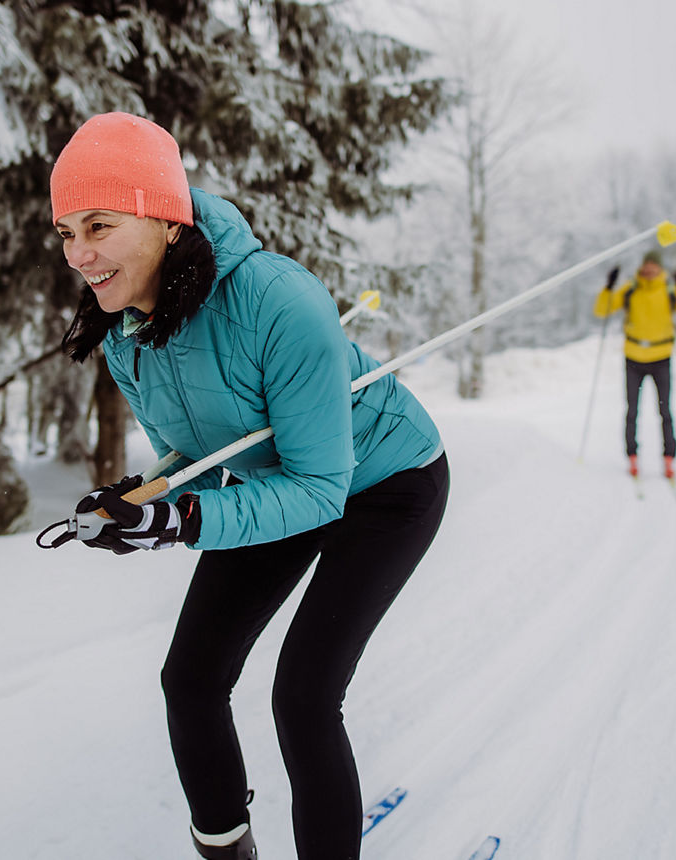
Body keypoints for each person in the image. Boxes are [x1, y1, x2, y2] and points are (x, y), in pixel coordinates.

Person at [48, 112, 449, 860]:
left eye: (98, 224)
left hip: (385, 483)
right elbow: (188, 451)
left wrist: (180, 521)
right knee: (191, 680)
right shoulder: (125, 330)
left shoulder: (277, 300)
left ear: (166, 220)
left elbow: (322, 488)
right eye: (66, 232)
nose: (79, 253)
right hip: (278, 479)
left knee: (302, 698)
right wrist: (134, 501)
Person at [594, 249, 676, 479]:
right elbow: (602, 310)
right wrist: (608, 287)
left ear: (660, 267)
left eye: (654, 266)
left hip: (661, 358)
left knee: (665, 410)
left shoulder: (670, 289)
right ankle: (632, 455)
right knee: (632, 410)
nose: (649, 270)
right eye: (647, 266)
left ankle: (669, 457)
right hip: (634, 357)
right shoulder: (631, 287)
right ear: (642, 266)